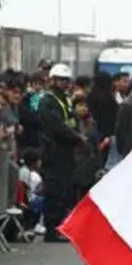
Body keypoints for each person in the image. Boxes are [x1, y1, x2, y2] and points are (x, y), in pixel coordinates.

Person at [37, 63, 79, 242]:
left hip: (66, 150)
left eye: (66, 80)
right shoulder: (47, 100)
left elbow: (70, 120)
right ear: (53, 80)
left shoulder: (65, 99)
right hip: (53, 150)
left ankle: (59, 225)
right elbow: (56, 126)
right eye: (61, 80)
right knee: (54, 189)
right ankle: (51, 229)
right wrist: (77, 137)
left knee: (64, 189)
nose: (65, 83)